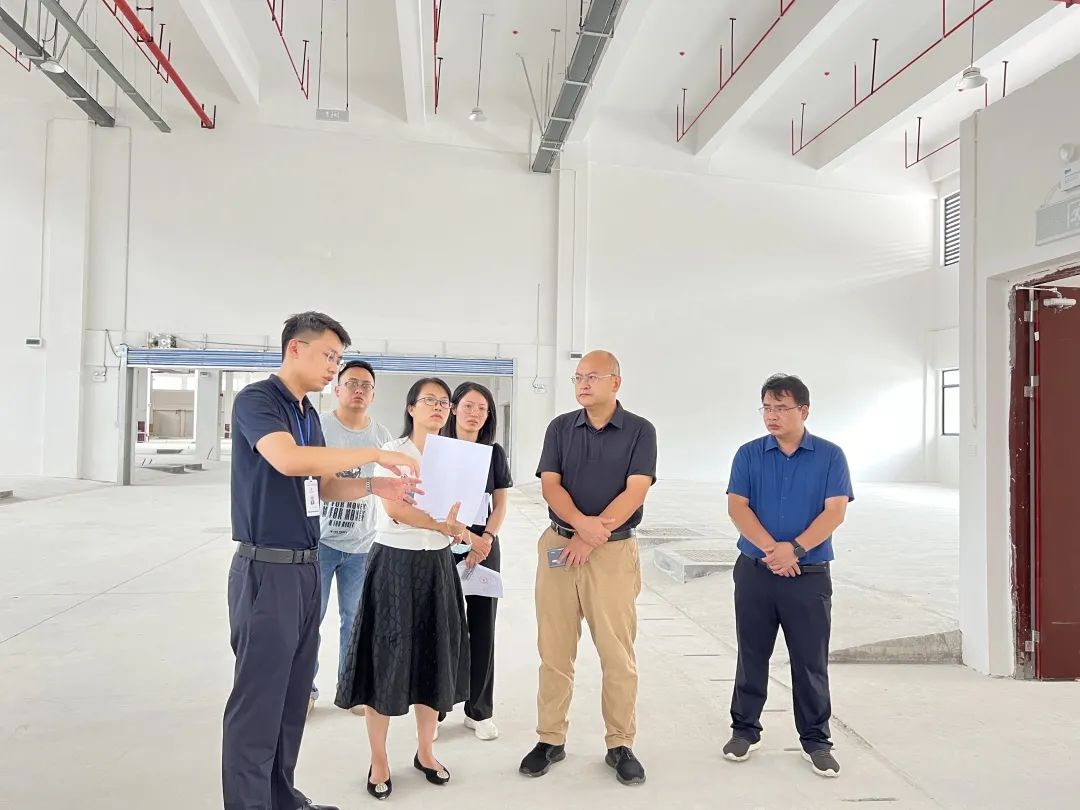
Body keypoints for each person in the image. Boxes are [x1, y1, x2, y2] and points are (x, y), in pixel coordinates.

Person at [222, 312, 420, 810]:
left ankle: (282, 797)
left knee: (291, 699)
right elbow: (289, 460)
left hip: (307, 566)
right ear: (295, 348)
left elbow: (325, 485)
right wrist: (375, 454)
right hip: (267, 570)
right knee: (259, 703)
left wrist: (376, 486)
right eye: (329, 355)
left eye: (338, 357)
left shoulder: (307, 413)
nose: (334, 366)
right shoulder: (258, 401)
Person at [520, 351, 657, 787]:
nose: (582, 383)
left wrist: (591, 536)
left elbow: (635, 491)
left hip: (613, 553)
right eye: (578, 377)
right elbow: (550, 485)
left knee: (617, 653)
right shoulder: (561, 428)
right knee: (554, 650)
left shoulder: (640, 431)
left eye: (592, 377)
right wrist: (580, 527)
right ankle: (550, 738)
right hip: (559, 546)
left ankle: (620, 743)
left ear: (616, 382)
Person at [335, 378, 471, 801]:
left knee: (434, 657)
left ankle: (425, 752)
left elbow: (466, 509)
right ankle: (379, 759)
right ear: (411, 408)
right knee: (386, 660)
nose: (439, 407)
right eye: (429, 400)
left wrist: (459, 527)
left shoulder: (457, 457)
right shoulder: (393, 453)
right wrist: (442, 524)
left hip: (437, 566)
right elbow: (395, 510)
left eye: (444, 402)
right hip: (394, 562)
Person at [723, 374, 853, 779]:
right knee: (751, 654)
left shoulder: (830, 456)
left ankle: (816, 740)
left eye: (781, 407)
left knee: (810, 660)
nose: (772, 415)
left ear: (804, 411)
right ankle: (744, 730)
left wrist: (794, 549)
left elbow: (835, 512)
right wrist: (772, 550)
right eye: (767, 407)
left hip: (808, 575)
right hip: (756, 572)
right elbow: (737, 507)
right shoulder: (748, 454)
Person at [309, 360, 394, 715]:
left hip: (362, 545)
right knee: (309, 621)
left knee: (356, 621)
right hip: (319, 543)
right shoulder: (319, 427)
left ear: (373, 394)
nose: (359, 390)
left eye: (366, 386)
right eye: (352, 383)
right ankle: (306, 690)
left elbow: (393, 487)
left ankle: (351, 687)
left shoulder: (382, 437)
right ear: (337, 389)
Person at [441, 381, 512, 741]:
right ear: (453, 409)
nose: (475, 413)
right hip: (441, 542)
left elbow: (500, 504)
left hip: (484, 546)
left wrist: (486, 541)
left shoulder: (493, 453)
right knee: (441, 626)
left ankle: (479, 711)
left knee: (483, 627)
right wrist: (463, 537)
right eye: (468, 406)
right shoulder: (437, 448)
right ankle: (436, 709)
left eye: (482, 408)